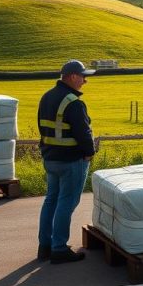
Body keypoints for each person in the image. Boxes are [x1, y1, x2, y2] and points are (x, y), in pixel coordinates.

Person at [37, 60, 96, 264]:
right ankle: (59, 248)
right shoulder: (73, 102)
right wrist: (90, 153)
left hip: (50, 158)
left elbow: (42, 128)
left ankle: (45, 246)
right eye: (82, 76)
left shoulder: (46, 97)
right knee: (67, 202)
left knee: (51, 200)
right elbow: (83, 132)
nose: (85, 81)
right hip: (71, 160)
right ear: (72, 76)